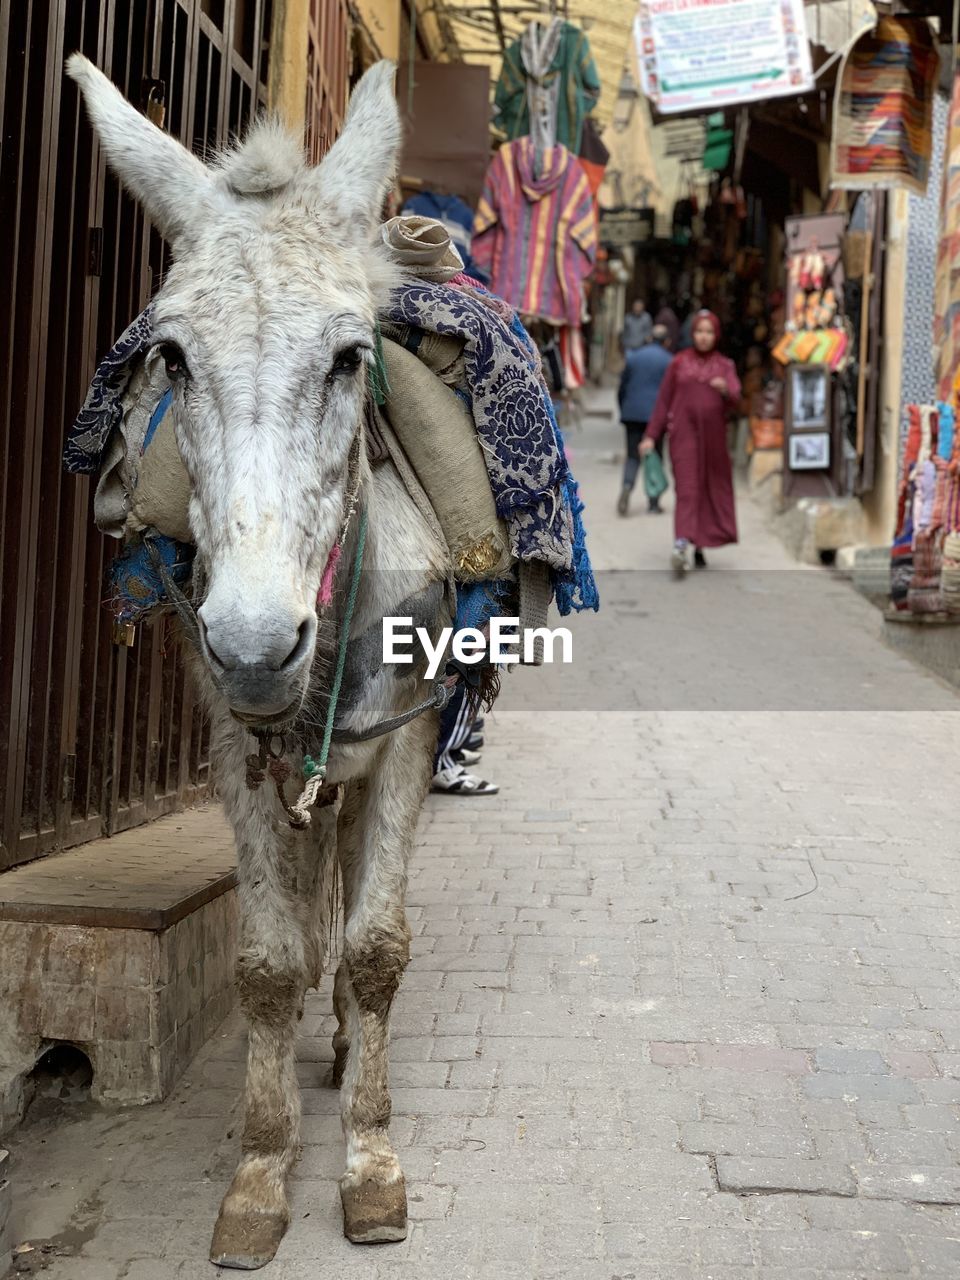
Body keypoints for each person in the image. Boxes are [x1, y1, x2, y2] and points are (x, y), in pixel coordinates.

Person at [641, 310, 740, 575]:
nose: (704, 337)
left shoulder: (724, 365)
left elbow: (737, 398)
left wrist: (725, 390)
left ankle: (699, 544)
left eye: (709, 332)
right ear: (692, 333)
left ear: (715, 335)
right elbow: (663, 402)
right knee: (687, 489)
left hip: (714, 442)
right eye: (699, 331)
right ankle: (681, 543)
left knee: (707, 490)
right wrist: (651, 435)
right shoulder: (679, 363)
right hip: (683, 438)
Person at [617, 323, 672, 516]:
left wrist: (623, 408)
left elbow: (622, 387)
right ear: (667, 341)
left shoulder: (634, 357)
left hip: (632, 413)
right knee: (654, 457)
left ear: (649, 338)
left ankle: (626, 486)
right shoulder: (669, 361)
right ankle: (654, 502)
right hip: (656, 416)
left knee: (633, 456)